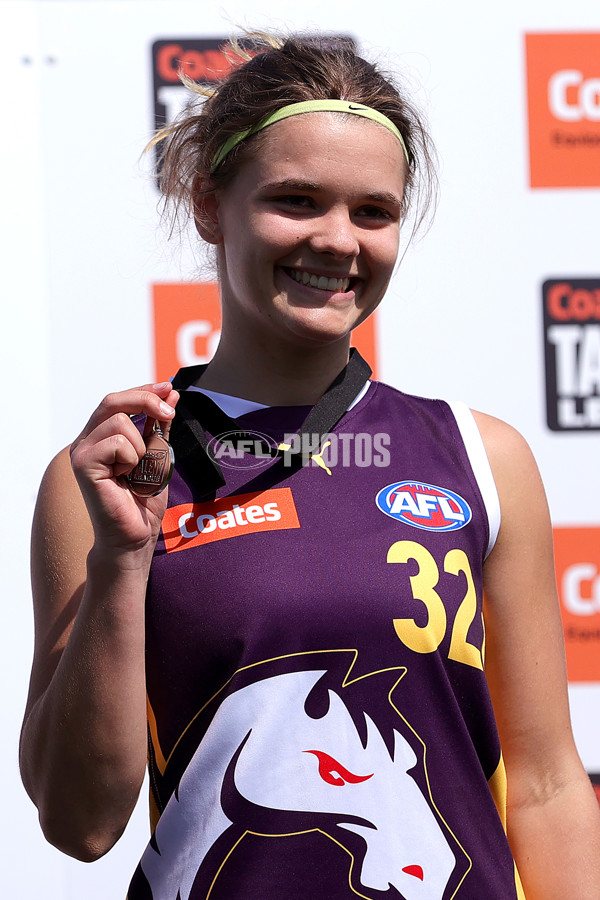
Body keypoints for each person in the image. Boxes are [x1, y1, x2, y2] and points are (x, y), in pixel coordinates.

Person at [19, 31, 600, 900]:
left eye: (374, 211)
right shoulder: (113, 472)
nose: (338, 240)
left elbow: (550, 785)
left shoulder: (485, 458)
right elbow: (81, 823)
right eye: (296, 200)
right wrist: (120, 561)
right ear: (211, 206)